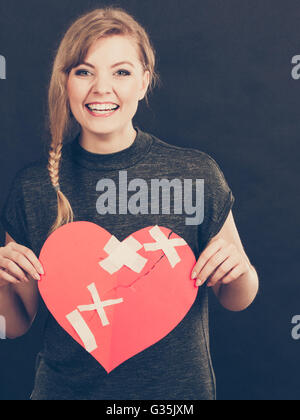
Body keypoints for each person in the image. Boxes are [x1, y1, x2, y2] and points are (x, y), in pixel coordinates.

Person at [0, 7, 259, 400]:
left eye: (121, 71)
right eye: (84, 71)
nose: (101, 88)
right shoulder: (33, 187)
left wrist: (240, 272)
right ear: (65, 82)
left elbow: (237, 297)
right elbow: (14, 323)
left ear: (144, 82)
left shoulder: (194, 173)